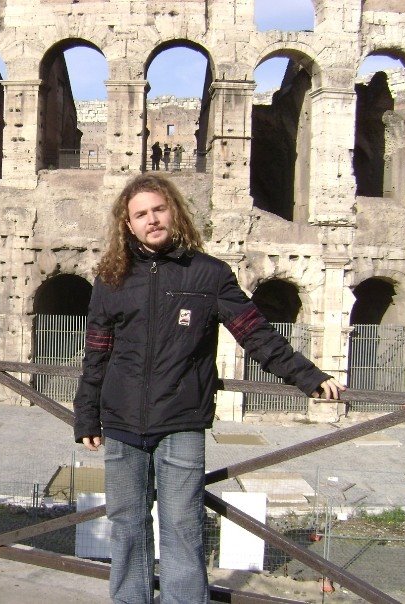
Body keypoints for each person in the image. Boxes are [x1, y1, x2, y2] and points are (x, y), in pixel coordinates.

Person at [74, 173, 344, 604]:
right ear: (128, 224)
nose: (152, 220)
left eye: (158, 209)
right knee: (126, 526)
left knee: (182, 529)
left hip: (181, 421)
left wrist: (307, 376)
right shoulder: (112, 278)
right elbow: (98, 352)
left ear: (173, 211)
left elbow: (256, 334)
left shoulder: (209, 275)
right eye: (140, 214)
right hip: (122, 422)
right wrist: (86, 413)